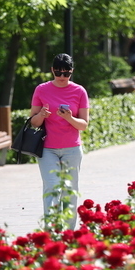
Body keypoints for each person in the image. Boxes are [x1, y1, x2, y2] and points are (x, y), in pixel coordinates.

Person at [30, 54, 89, 230]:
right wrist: (41, 115)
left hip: (72, 149)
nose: (62, 77)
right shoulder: (41, 89)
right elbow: (33, 122)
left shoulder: (80, 91)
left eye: (66, 73)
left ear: (72, 72)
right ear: (52, 70)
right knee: (51, 188)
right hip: (48, 149)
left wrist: (70, 118)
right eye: (58, 72)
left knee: (69, 191)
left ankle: (69, 232)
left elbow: (84, 124)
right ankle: (51, 232)